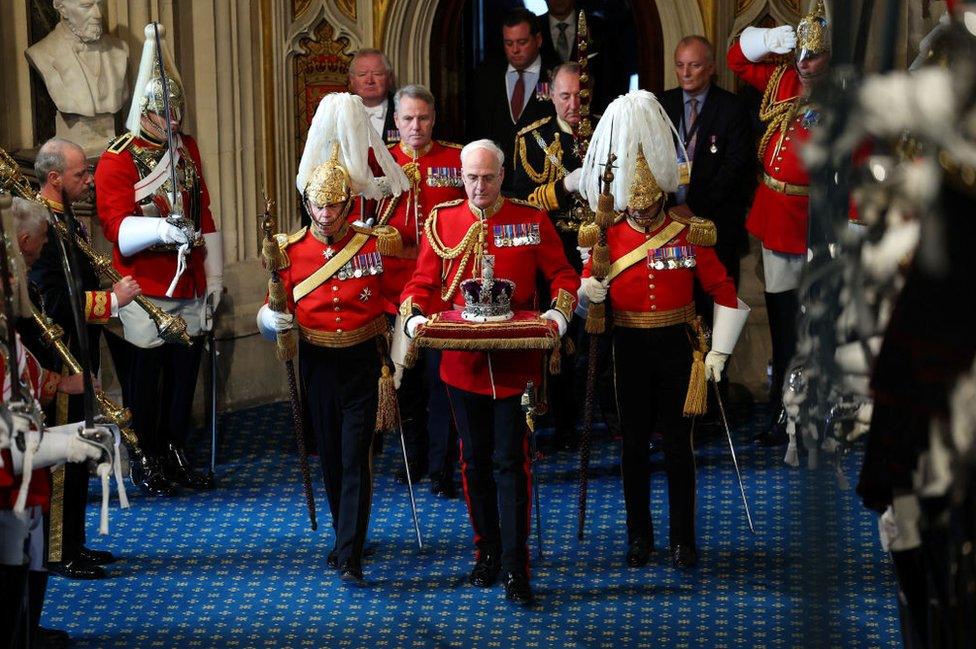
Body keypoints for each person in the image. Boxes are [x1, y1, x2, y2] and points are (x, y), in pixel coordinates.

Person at [401, 139, 579, 606]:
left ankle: (517, 567)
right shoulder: (442, 221)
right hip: (463, 365)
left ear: (502, 176)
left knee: (511, 463)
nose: (479, 187)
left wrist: (558, 317)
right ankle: (487, 553)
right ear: (461, 177)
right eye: (471, 178)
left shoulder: (530, 219)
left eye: (488, 177)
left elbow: (563, 276)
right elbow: (422, 283)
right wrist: (415, 314)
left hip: (518, 364)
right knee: (473, 462)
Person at [577, 91, 749, 570]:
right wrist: (588, 291)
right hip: (628, 347)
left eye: (650, 208)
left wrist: (718, 356)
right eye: (636, 209)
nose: (642, 216)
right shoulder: (605, 237)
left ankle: (683, 540)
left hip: (679, 348)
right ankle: (639, 538)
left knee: (679, 448)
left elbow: (724, 290)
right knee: (632, 447)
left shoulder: (687, 232)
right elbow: (583, 290)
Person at [258, 92, 409, 585]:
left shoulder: (373, 244)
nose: (325, 214)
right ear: (308, 203)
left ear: (349, 202)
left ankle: (350, 550)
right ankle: (346, 533)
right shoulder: (287, 250)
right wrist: (270, 321)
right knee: (330, 454)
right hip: (317, 363)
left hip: (365, 362)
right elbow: (274, 305)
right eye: (317, 206)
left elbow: (402, 291)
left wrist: (407, 331)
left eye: (334, 205)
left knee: (355, 457)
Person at [94, 24, 223, 490]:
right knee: (144, 383)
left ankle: (173, 449)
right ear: (145, 112)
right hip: (145, 286)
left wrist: (215, 278)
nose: (173, 120)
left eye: (177, 111)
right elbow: (117, 227)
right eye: (164, 113)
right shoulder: (118, 158)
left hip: (186, 283)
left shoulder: (186, 148)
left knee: (183, 377)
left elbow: (203, 212)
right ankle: (144, 454)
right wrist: (161, 228)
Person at [2, 196, 112, 649]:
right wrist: (68, 444)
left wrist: (67, 423)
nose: (16, 281)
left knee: (27, 577)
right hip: (7, 492)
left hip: (25, 486)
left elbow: (27, 381)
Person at [28, 138, 140, 581]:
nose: (88, 182)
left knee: (80, 453)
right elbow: (54, 300)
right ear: (54, 178)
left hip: (80, 349)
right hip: (57, 356)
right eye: (80, 175)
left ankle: (73, 541)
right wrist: (110, 301)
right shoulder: (39, 224)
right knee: (62, 457)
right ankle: (58, 550)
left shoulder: (66, 218)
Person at [727, 2, 830, 446]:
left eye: (815, 56)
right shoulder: (781, 79)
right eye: (801, 55)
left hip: (817, 226)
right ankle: (780, 412)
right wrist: (770, 40)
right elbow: (734, 58)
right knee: (783, 326)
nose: (806, 65)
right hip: (776, 219)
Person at [380, 84, 466, 496]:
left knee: (442, 383)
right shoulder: (379, 163)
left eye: (424, 118)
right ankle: (412, 460)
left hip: (443, 294)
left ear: (434, 120)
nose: (416, 126)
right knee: (405, 385)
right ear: (396, 122)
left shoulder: (456, 159)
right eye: (408, 119)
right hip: (394, 294)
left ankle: (441, 468)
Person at [510, 61, 591, 451]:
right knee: (557, 342)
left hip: (600, 251)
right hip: (554, 252)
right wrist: (564, 188)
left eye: (580, 95)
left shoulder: (608, 131)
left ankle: (596, 417)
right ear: (550, 94)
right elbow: (521, 200)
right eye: (565, 95)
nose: (573, 104)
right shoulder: (532, 138)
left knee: (597, 342)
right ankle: (559, 425)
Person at [660, 36, 755, 291]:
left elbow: (735, 168)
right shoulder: (661, 104)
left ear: (711, 67)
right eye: (680, 65)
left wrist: (694, 207)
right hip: (668, 225)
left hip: (717, 226)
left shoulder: (732, 108)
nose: (686, 73)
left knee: (717, 304)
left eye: (694, 65)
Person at [24, 0, 129, 151]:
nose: (98, 14)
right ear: (62, 8)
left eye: (99, 4)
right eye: (87, 6)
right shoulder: (41, 53)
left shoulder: (120, 50)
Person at [470, 8, 557, 191]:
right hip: (496, 182)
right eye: (509, 43)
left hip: (542, 182)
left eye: (522, 42)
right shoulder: (486, 75)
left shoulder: (556, 75)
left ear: (538, 40)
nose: (515, 50)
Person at [348, 49, 399, 145]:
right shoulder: (337, 111)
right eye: (362, 74)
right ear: (352, 80)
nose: (370, 81)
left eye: (377, 74)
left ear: (390, 78)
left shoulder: (405, 109)